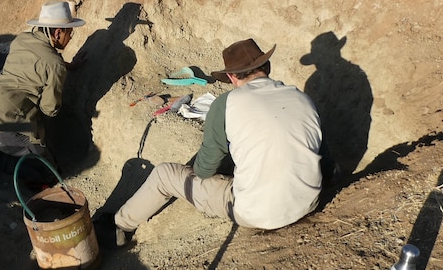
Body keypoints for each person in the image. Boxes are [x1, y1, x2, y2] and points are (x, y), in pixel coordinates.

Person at [96, 38, 325, 248]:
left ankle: (119, 227)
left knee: (164, 174)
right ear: (267, 67)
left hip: (259, 213)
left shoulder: (227, 102)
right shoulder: (300, 97)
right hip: (309, 201)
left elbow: (204, 170)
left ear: (233, 77)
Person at [0, 0, 86, 183]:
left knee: (28, 139)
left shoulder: (22, 39)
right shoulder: (54, 64)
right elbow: (49, 109)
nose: (71, 37)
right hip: (4, 126)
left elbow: (41, 59)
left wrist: (67, 67)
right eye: (70, 32)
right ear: (58, 32)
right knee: (48, 176)